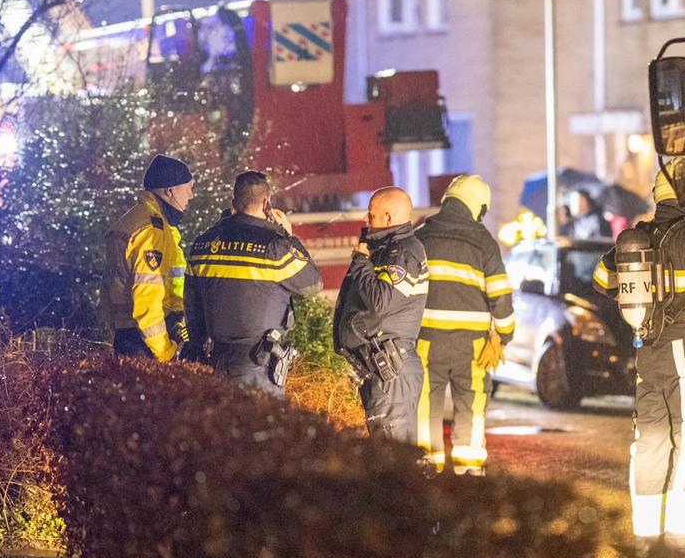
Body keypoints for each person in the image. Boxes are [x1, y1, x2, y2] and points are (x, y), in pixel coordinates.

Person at [593, 160, 685, 544]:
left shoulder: (641, 234)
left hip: (647, 349)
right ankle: (683, 537)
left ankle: (646, 531)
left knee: (650, 439)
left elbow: (602, 280)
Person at [184, 171, 323, 391]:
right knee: (259, 423)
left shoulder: (203, 244)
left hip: (213, 360)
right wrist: (288, 236)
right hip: (258, 364)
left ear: (234, 202)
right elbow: (313, 284)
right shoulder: (275, 248)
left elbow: (191, 306)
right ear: (266, 204)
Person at [415, 174, 516, 471]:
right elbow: (501, 295)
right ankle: (469, 471)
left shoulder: (421, 236)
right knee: (471, 405)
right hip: (472, 346)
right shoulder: (483, 242)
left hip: (426, 340)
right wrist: (504, 336)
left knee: (424, 405)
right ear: (477, 206)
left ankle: (425, 468)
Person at [333, 186, 430, 439]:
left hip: (390, 370)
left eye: (371, 214)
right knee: (388, 456)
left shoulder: (404, 252)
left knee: (392, 457)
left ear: (388, 218)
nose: (365, 220)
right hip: (381, 367)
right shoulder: (387, 251)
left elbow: (381, 300)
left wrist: (361, 261)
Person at [102, 154, 193, 361]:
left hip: (127, 336)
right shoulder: (152, 230)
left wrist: (115, 331)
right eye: (187, 188)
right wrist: (165, 352)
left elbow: (107, 289)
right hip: (148, 344)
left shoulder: (130, 221)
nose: (191, 196)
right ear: (170, 191)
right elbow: (147, 299)